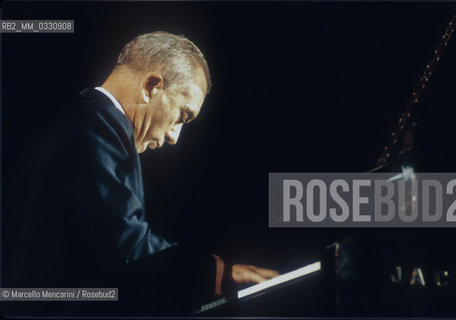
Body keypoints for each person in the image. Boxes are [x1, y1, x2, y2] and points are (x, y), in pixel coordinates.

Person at [2, 31, 278, 316]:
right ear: (151, 86)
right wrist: (220, 273)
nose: (175, 137)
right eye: (182, 116)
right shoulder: (96, 126)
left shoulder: (76, 120)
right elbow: (128, 250)